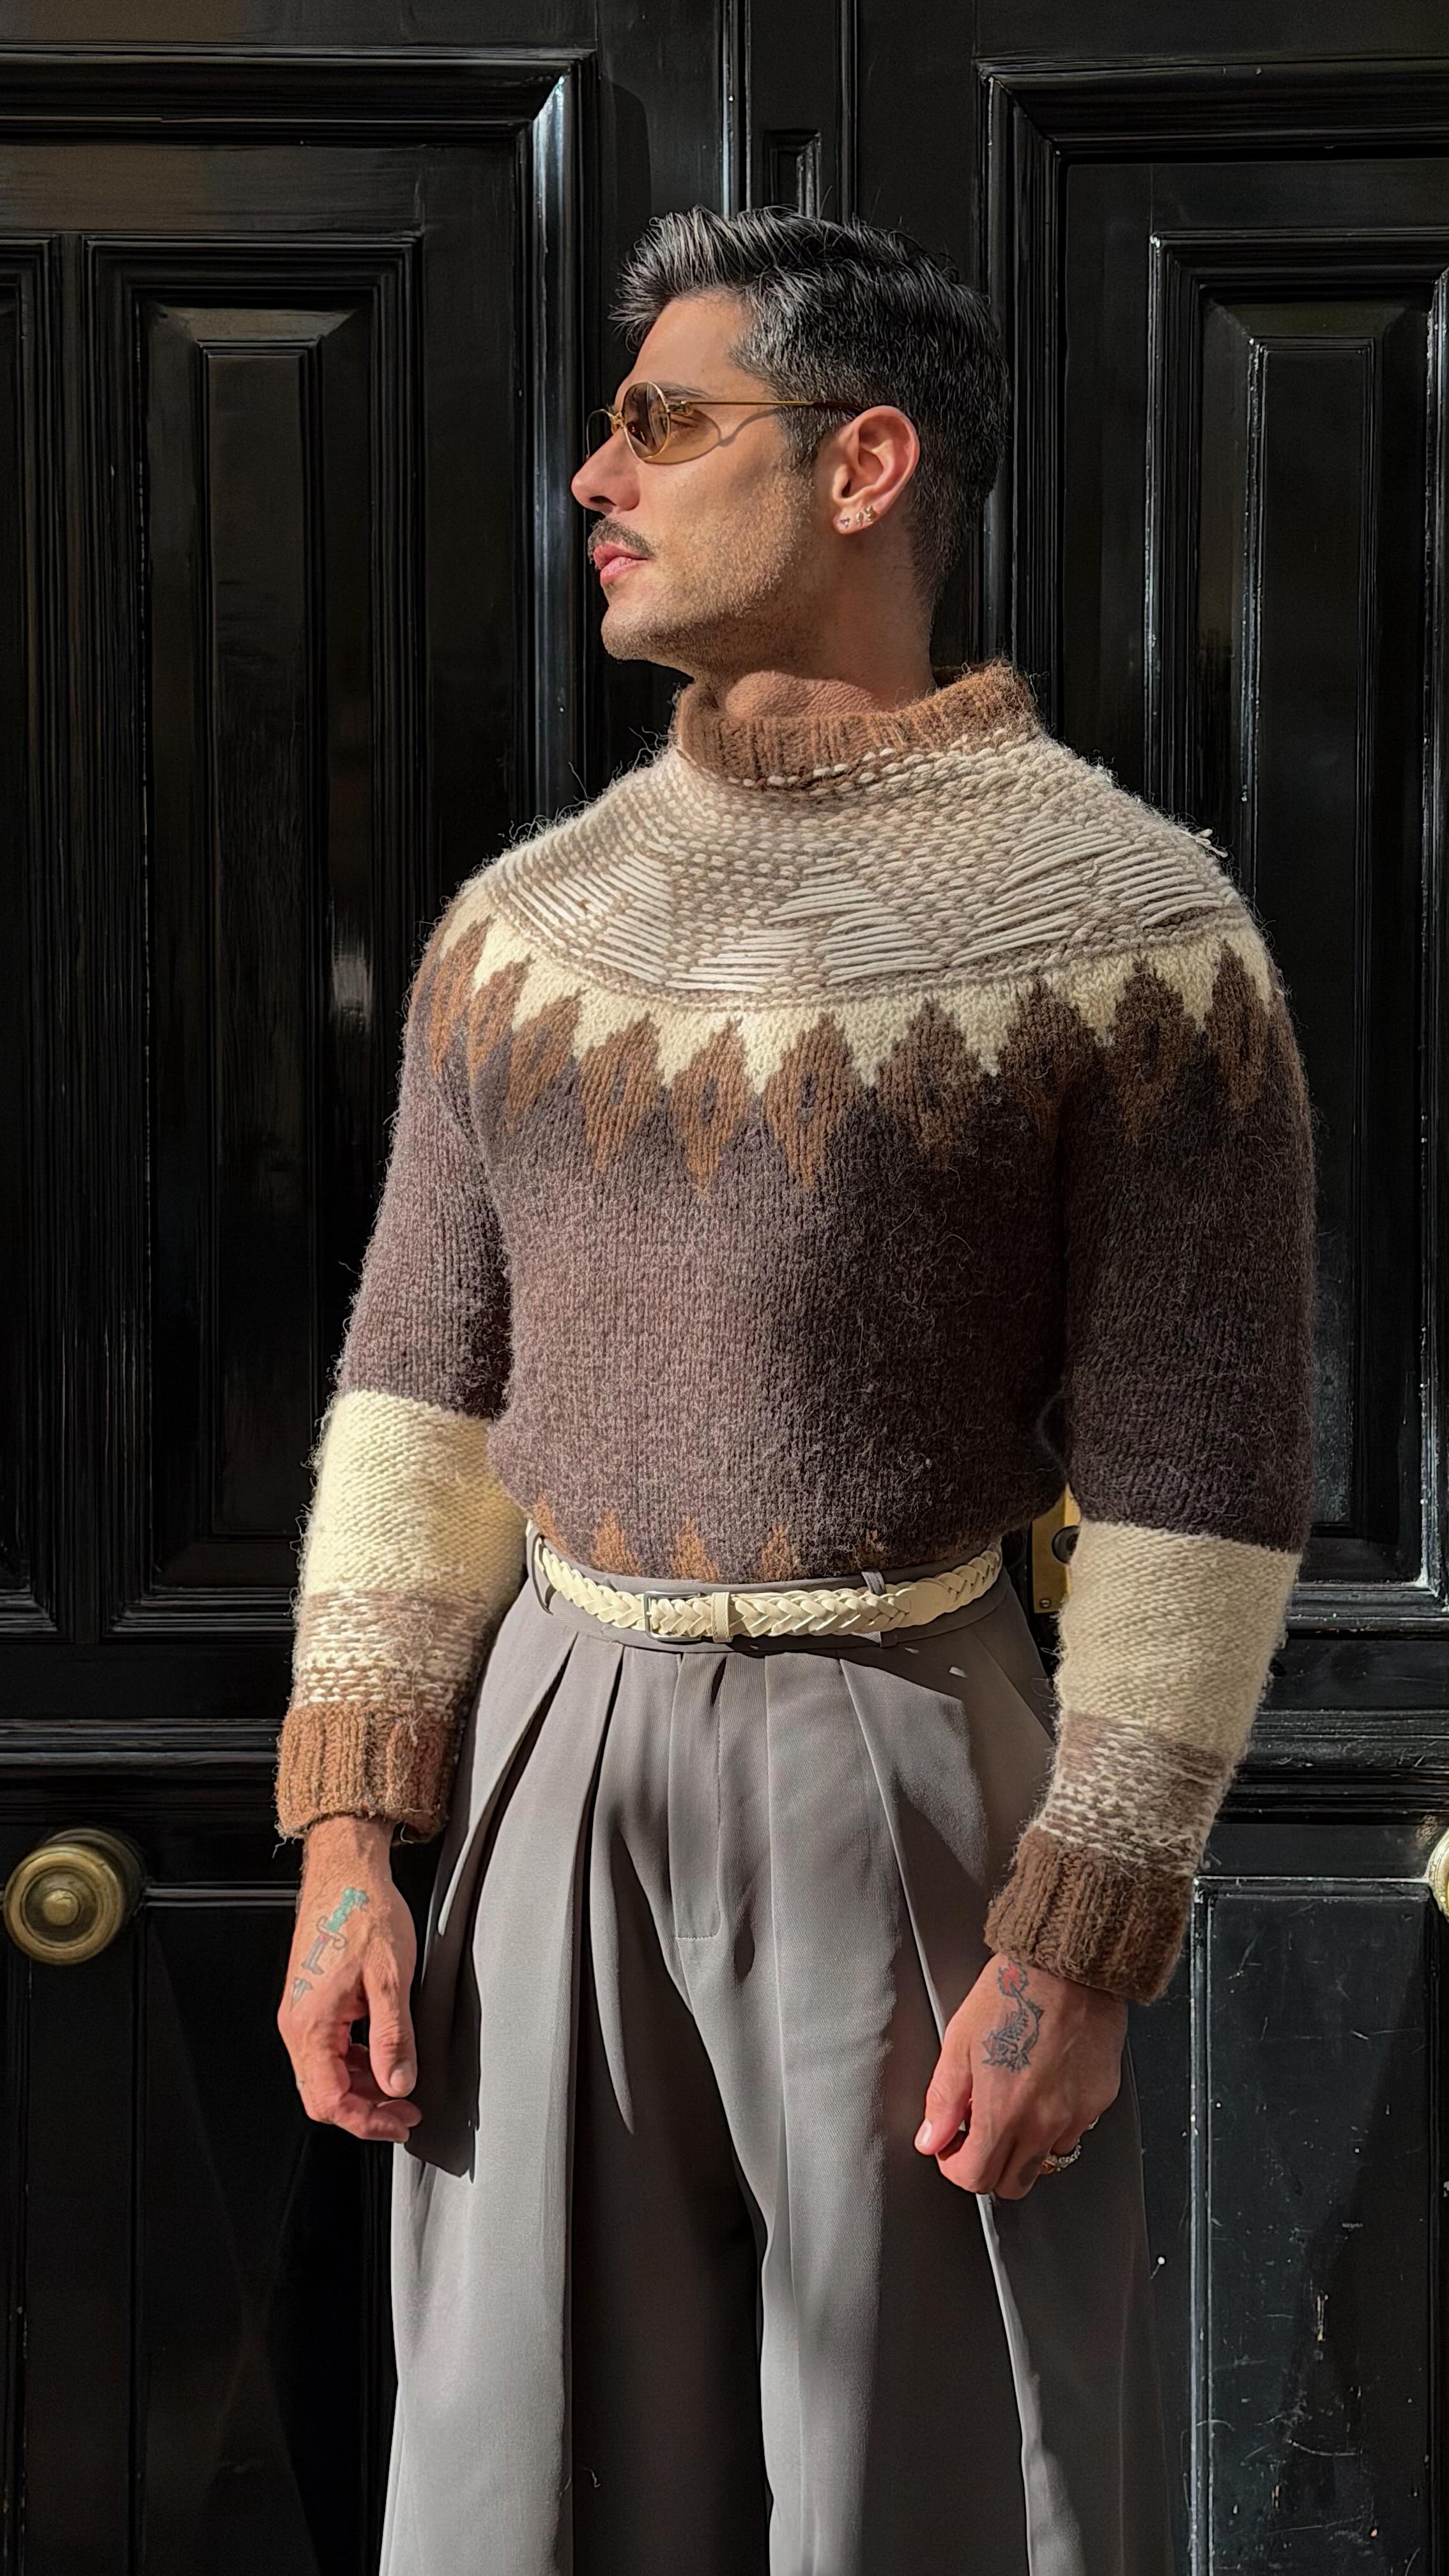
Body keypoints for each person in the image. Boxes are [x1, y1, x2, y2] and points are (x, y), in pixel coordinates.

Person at [273, 206, 1317, 2574]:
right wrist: (351, 1848)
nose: (594, 478)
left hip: (915, 1774)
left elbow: (1195, 1476)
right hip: (543, 1767)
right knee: (522, 2491)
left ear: (863, 464)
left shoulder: (1133, 934)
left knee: (934, 2496)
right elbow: (420, 1401)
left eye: (661, 421)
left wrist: (1084, 1931)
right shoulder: (522, 930)